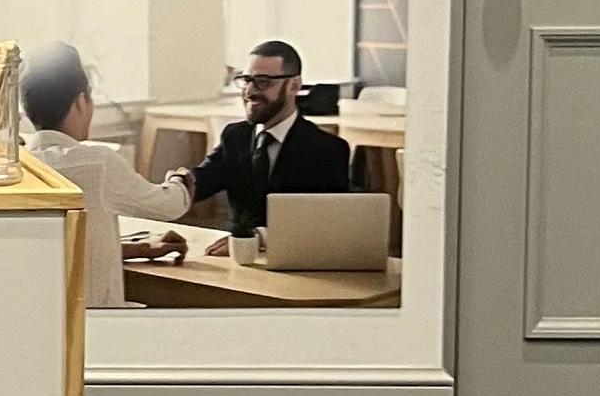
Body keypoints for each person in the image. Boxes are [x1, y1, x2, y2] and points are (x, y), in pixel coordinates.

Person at [20, 40, 197, 308]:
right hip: (98, 320)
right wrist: (179, 181)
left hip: (43, 316)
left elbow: (67, 250)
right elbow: (170, 205)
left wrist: (141, 249)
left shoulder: (21, 166)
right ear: (81, 101)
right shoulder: (98, 164)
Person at [185, 38, 352, 239]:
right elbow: (203, 180)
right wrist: (178, 184)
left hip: (295, 254)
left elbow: (326, 223)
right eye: (246, 80)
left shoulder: (328, 150)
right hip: (237, 254)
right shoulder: (235, 136)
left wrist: (260, 238)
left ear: (294, 85)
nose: (250, 91)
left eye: (263, 82)